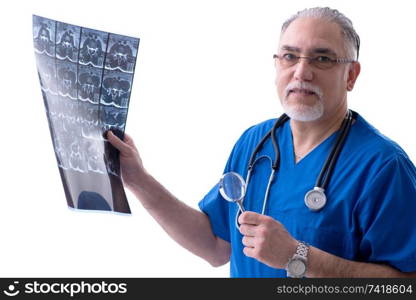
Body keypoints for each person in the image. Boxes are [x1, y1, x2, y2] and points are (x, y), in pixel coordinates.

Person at [107, 7, 416, 277]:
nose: (301, 72)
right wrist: (138, 180)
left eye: (322, 58)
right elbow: (216, 246)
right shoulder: (255, 143)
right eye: (290, 56)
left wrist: (300, 257)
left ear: (351, 75)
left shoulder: (383, 167)